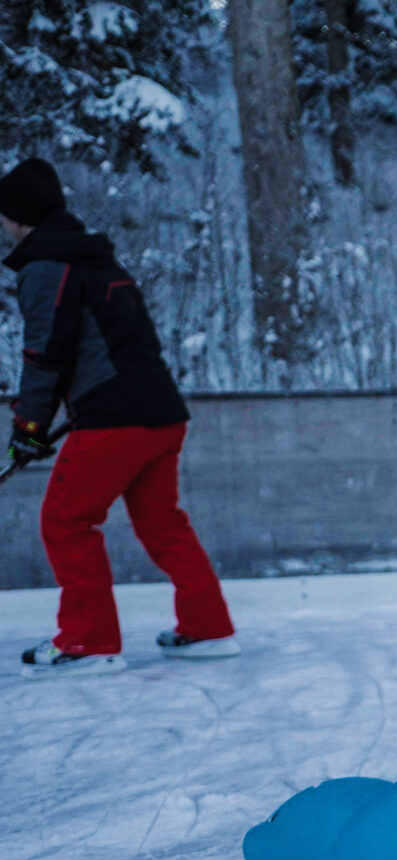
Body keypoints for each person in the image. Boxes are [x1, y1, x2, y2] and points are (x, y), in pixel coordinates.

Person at [2, 158, 237, 680]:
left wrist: (30, 427)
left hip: (115, 420)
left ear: (18, 217)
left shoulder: (46, 266)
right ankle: (209, 629)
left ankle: (89, 643)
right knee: (161, 522)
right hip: (160, 413)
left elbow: (44, 353)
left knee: (66, 521)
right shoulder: (99, 260)